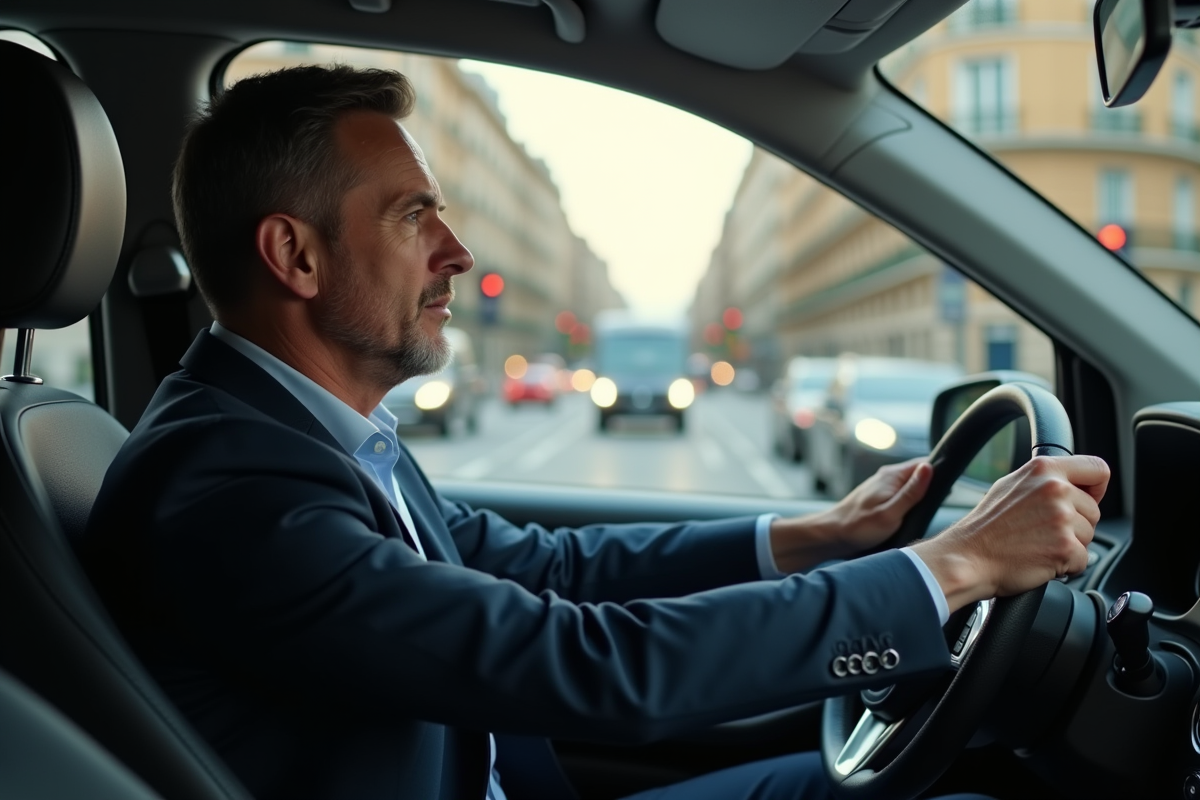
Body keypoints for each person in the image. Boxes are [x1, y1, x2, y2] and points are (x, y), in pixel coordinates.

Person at [80, 64, 1109, 800]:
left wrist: (815, 533)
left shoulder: (308, 437)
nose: (458, 251)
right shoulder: (233, 491)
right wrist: (955, 563)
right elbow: (587, 661)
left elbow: (543, 566)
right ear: (294, 256)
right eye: (412, 216)